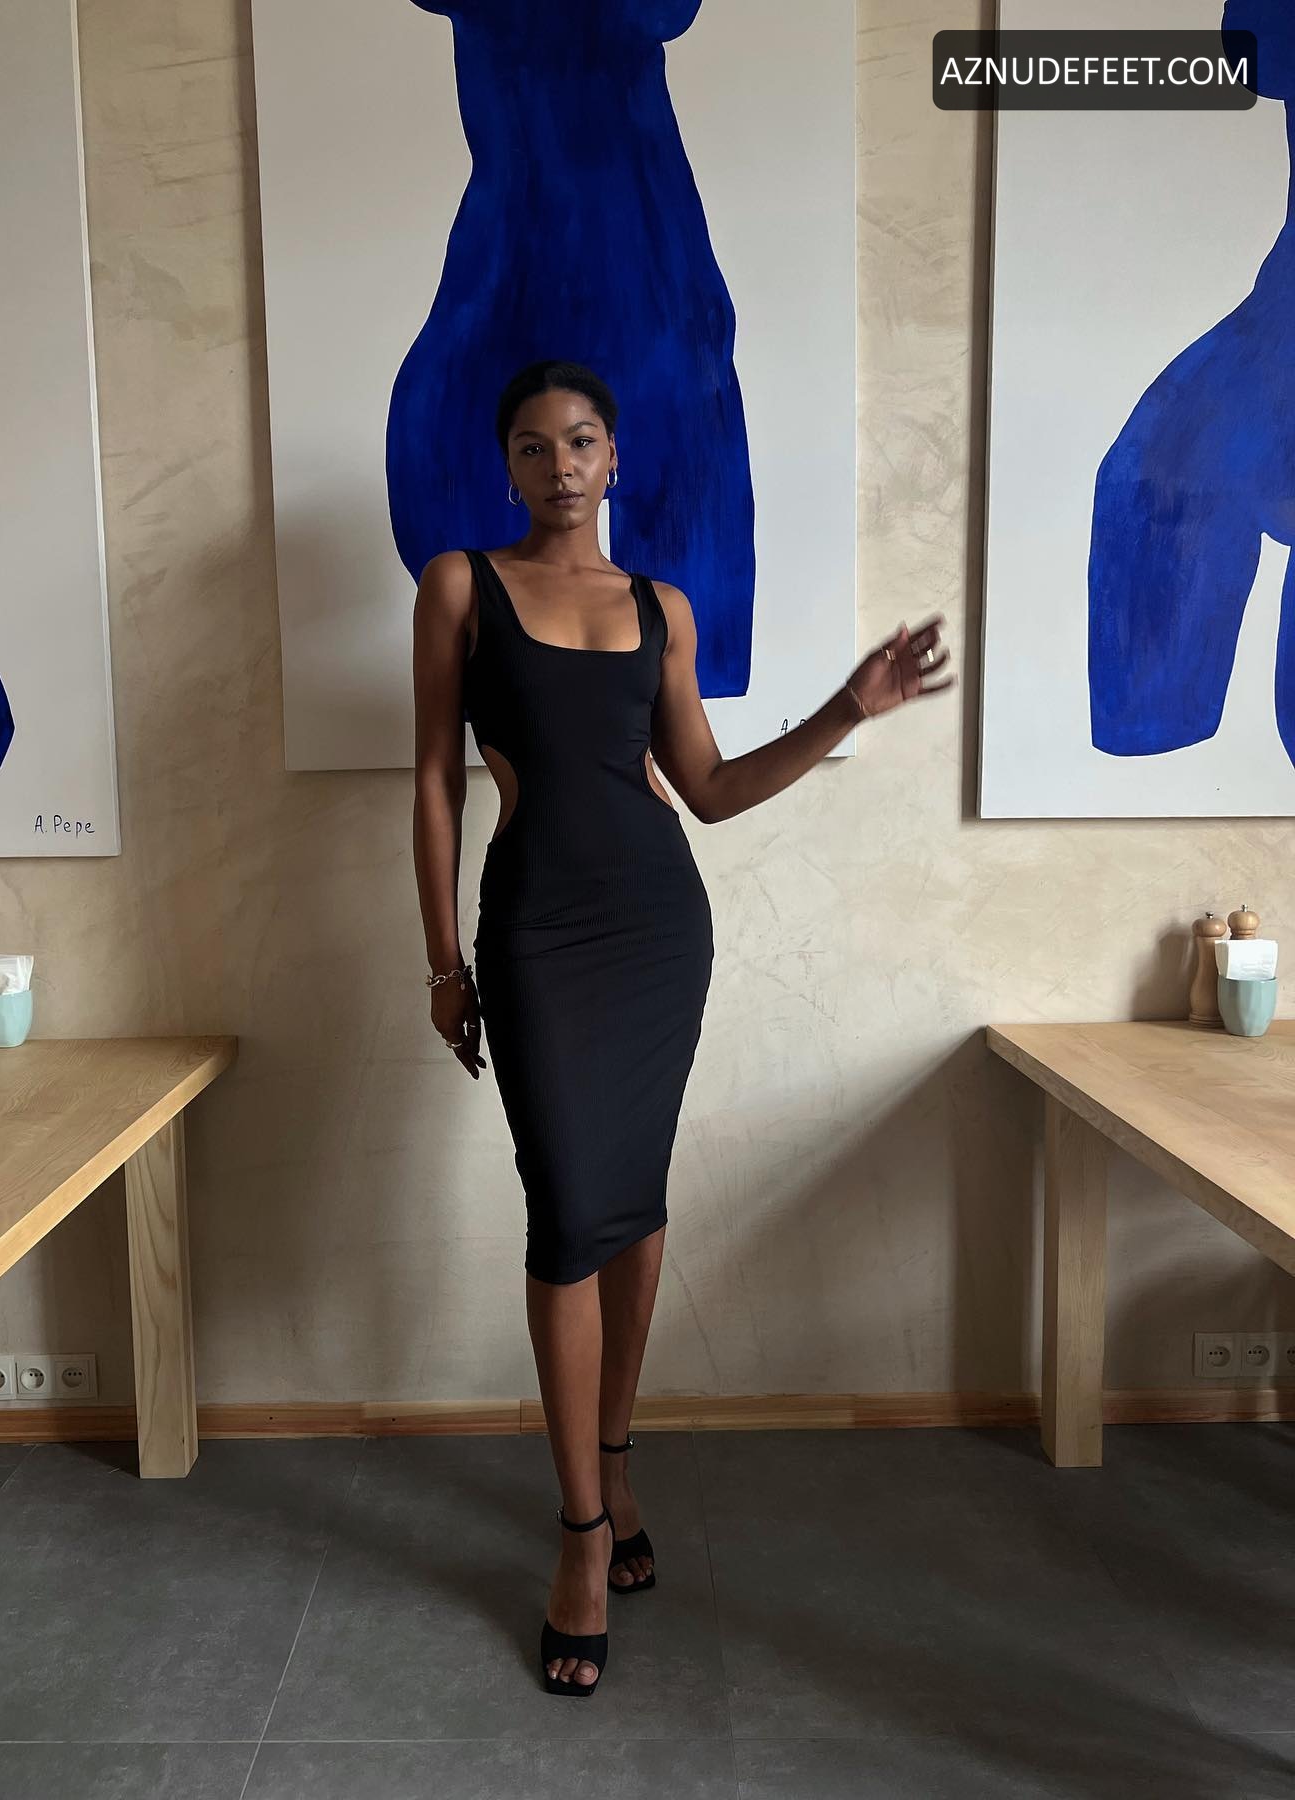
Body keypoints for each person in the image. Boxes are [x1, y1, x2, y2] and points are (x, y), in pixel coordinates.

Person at [411, 359, 953, 1698]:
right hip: (536, 933)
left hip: (658, 932)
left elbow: (705, 789)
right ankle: (581, 1533)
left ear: (615, 456)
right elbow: (432, 782)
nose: (558, 464)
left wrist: (849, 707)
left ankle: (617, 1464)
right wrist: (441, 961)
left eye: (580, 440)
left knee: (632, 1204)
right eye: (532, 444)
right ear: (507, 464)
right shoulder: (461, 586)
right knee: (566, 1211)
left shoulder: (662, 608)